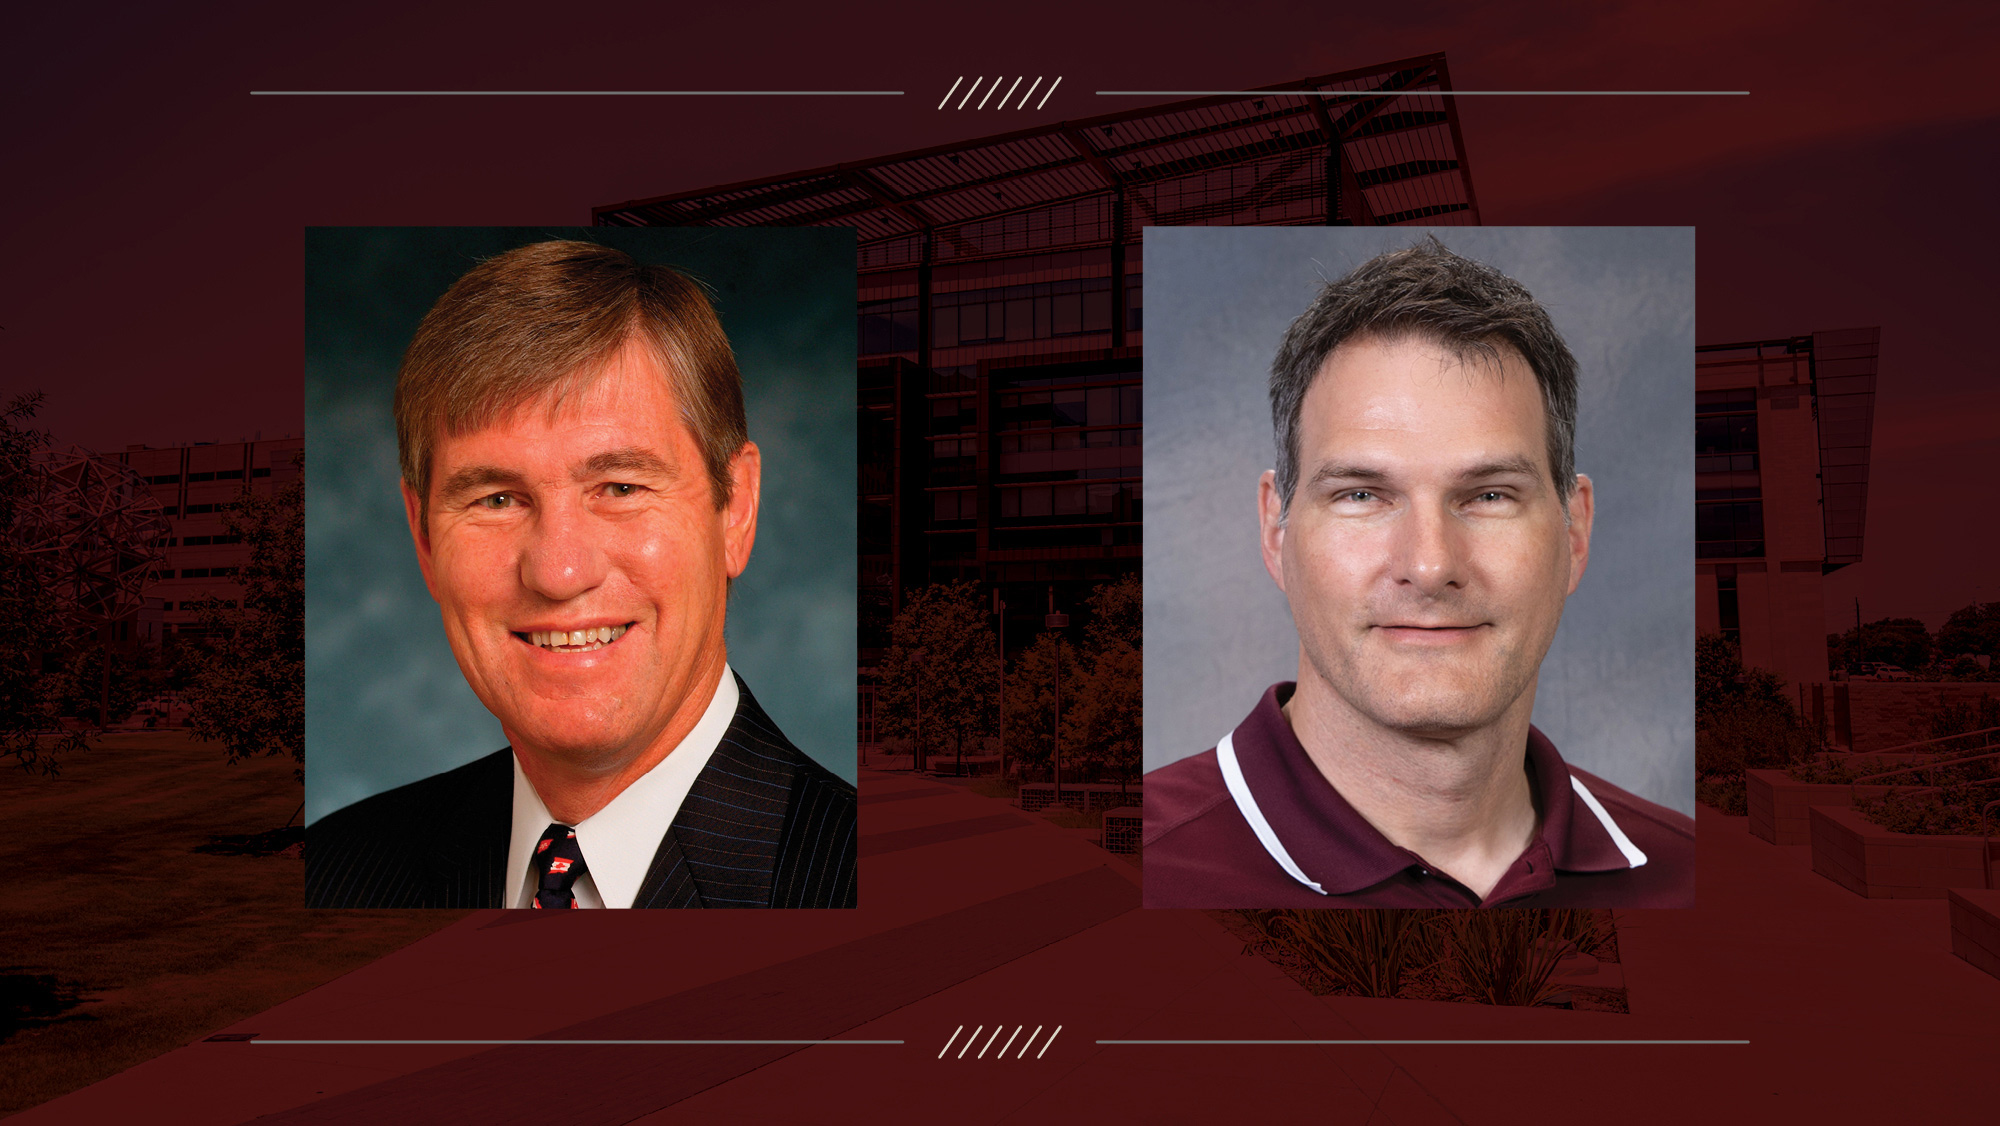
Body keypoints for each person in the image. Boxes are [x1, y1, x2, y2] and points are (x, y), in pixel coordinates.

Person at [1144, 237, 1694, 908]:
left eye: (1490, 495)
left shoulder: (1691, 873)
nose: (1430, 566)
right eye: (1362, 495)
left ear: (1574, 531)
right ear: (1275, 530)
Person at [307, 240, 856, 909]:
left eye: (620, 487)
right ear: (422, 535)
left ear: (734, 508)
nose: (560, 571)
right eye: (497, 500)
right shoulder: (335, 873)